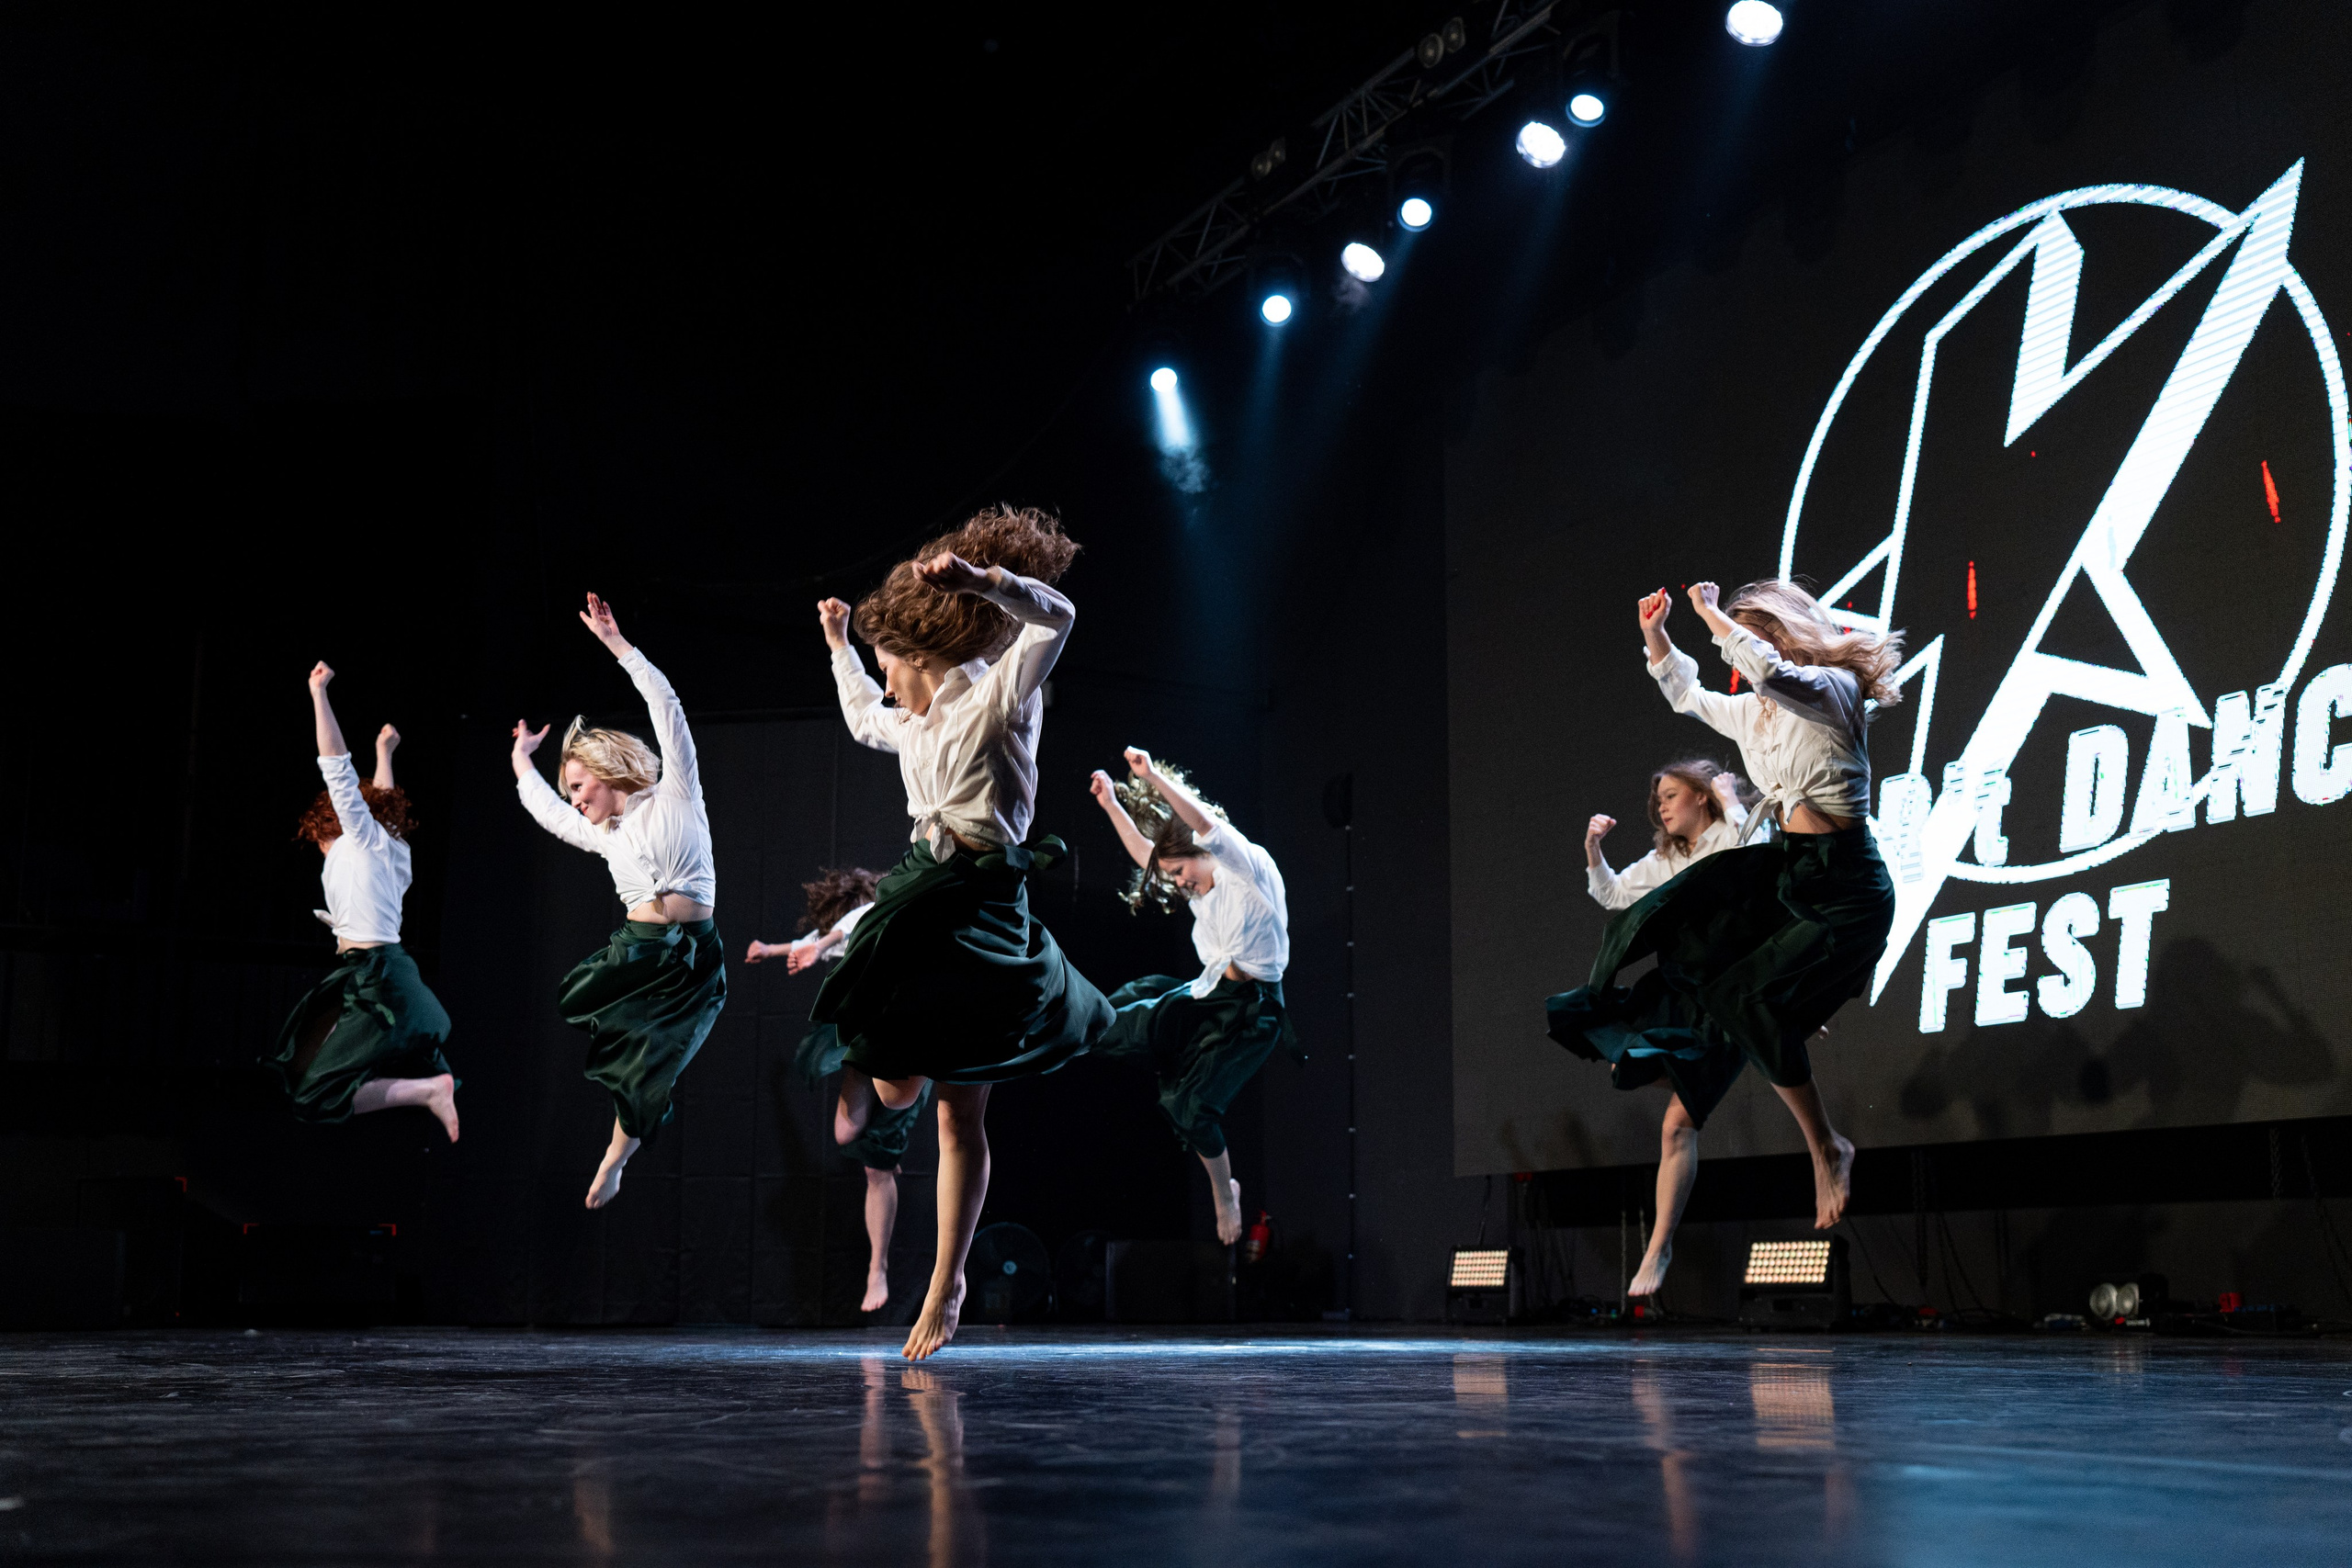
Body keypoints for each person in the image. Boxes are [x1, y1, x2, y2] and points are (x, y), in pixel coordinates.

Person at [810, 503, 1114, 1359]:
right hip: (920, 890)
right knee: (889, 1069)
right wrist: (839, 648)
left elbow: (1059, 616)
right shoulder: (908, 716)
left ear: (918, 658)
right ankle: (898, 1080)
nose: (883, 680)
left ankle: (948, 1281)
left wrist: (988, 584)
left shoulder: (1001, 693)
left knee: (959, 1117)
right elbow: (863, 715)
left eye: (884, 664)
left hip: (981, 902)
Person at [1547, 580, 1903, 1291]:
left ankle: (1826, 1149)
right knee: (1739, 994)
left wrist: (1713, 616)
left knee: (1749, 987)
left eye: (1749, 639)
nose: (1742, 661)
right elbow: (1687, 693)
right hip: (1797, 880)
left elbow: (1778, 670)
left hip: (1849, 888)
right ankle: (1828, 1141)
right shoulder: (1759, 715)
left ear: (1778, 633)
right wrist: (1658, 633)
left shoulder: (1830, 688)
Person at [512, 592, 724, 1211]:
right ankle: (617, 1154)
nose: (575, 800)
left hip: (696, 958)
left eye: (579, 786)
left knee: (652, 1075)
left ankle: (616, 1158)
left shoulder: (677, 792)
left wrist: (617, 646)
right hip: (640, 954)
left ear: (606, 770)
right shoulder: (603, 835)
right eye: (572, 792)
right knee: (616, 1052)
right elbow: (551, 817)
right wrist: (523, 765)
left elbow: (667, 706)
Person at [1087, 748, 1293, 1247]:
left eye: (1182, 872)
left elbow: (1205, 824)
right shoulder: (1198, 885)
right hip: (1208, 994)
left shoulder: (1246, 868)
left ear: (1201, 853)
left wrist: (1152, 777)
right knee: (1122, 1021)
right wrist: (1112, 805)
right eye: (1175, 878)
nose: (1179, 884)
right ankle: (1055, 1030)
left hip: (1252, 1011)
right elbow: (1149, 857)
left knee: (1192, 1106)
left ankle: (1226, 1194)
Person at [266, 663, 458, 1139]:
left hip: (377, 980)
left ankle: (430, 1091)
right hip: (375, 974)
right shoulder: (389, 846)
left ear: (330, 826)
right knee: (299, 1073)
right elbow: (384, 802)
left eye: (320, 841)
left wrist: (318, 693)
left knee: (312, 1096)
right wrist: (384, 752)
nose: (323, 850)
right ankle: (429, 1087)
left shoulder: (363, 839)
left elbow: (337, 770)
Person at [749, 867, 923, 1314]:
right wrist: (771, 950)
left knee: (875, 1167)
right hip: (861, 1040)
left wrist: (818, 947)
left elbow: (837, 932)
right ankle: (885, 1153)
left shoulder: (876, 914)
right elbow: (821, 939)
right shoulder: (845, 935)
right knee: (846, 1136)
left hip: (905, 1041)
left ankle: (876, 1270)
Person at [1584, 761, 1748, 912]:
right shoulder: (1665, 859)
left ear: (1700, 796)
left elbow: (1753, 855)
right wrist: (1593, 848)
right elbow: (1611, 894)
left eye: (1670, 796)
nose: (1662, 808)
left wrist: (1728, 796)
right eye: (1660, 802)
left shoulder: (1730, 834)